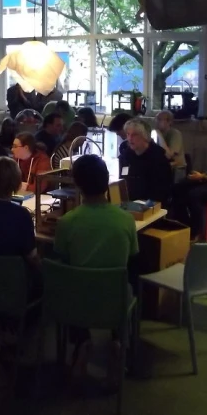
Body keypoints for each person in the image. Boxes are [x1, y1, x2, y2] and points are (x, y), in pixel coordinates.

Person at [54, 154, 138, 386]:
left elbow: (61, 259)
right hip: (115, 300)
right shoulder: (126, 220)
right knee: (125, 284)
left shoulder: (67, 222)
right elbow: (132, 258)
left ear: (77, 184)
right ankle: (118, 342)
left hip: (77, 302)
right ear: (107, 181)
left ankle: (81, 344)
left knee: (74, 283)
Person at [118, 118, 173, 202]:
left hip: (151, 203)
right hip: (128, 202)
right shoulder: (125, 156)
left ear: (145, 136)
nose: (129, 138)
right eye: (128, 134)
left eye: (134, 135)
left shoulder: (158, 157)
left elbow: (161, 190)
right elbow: (122, 180)